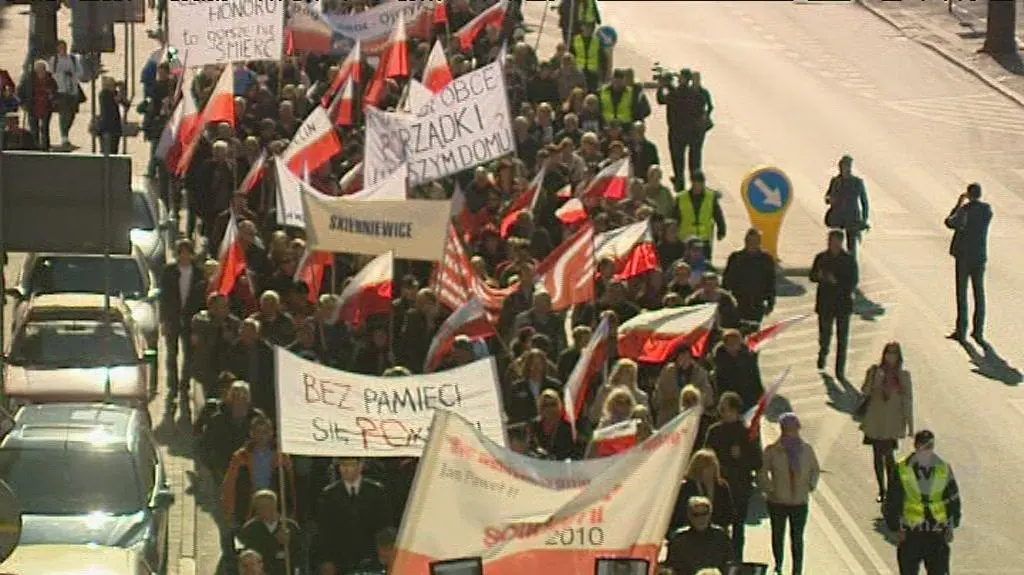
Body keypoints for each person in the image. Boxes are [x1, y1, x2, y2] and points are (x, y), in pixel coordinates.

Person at [884, 430, 962, 575]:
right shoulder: (902, 468)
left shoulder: (943, 468)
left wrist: (951, 525)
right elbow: (893, 500)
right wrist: (895, 527)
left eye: (930, 446)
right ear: (916, 446)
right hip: (911, 533)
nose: (927, 449)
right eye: (923, 446)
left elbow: (953, 498)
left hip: (937, 532)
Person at [758, 413, 820, 575]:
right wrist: (770, 489)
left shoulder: (806, 449)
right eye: (788, 428)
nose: (793, 431)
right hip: (777, 502)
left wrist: (810, 486)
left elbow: (815, 469)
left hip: (799, 501)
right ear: (783, 429)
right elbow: (762, 473)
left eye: (795, 428)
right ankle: (778, 564)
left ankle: (797, 570)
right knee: (778, 535)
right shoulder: (772, 450)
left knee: (797, 538)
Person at [704, 391, 762, 563]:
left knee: (738, 527)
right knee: (718, 526)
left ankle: (736, 561)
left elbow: (757, 461)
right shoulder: (714, 431)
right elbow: (706, 455)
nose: (722, 412)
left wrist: (741, 456)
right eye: (721, 408)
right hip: (719, 485)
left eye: (726, 408)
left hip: (740, 487)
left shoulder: (746, 433)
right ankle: (718, 559)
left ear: (735, 411)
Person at [859, 342, 914, 504]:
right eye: (888, 353)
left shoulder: (903, 376)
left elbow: (908, 400)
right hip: (875, 420)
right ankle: (882, 489)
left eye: (894, 354)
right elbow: (865, 391)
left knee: (889, 456)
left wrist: (910, 424)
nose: (890, 357)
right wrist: (874, 379)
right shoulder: (875, 371)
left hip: (892, 422)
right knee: (877, 455)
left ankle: (891, 489)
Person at [159, 239, 207, 417]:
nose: (185, 256)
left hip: (190, 320)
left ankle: (184, 385)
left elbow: (202, 300)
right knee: (172, 353)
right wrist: (163, 320)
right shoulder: (169, 272)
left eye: (188, 252)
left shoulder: (199, 273)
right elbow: (164, 298)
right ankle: (172, 384)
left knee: (189, 355)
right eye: (182, 252)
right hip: (173, 319)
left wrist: (198, 327)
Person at [943, 182, 992, 345]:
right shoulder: (987, 210)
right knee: (979, 293)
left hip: (964, 256)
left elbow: (949, 222)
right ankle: (978, 330)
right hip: (979, 255)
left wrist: (959, 204)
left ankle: (961, 330)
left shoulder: (965, 210)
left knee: (962, 293)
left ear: (969, 195)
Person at [810, 229, 858, 381]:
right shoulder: (821, 258)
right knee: (825, 334)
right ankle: (823, 354)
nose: (833, 245)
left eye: (836, 242)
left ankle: (840, 370)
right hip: (825, 303)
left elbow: (853, 281)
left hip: (842, 304)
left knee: (842, 339)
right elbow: (812, 275)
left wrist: (836, 282)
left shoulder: (849, 260)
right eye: (831, 242)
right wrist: (820, 276)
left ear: (841, 242)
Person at [667, 448, 735, 535]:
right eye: (704, 467)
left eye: (712, 467)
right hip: (690, 535)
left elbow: (729, 514)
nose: (709, 471)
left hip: (716, 535)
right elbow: (678, 516)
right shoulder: (686, 487)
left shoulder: (721, 486)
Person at [235, 490, 302, 575]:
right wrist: (275, 541)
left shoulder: (290, 526)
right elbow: (252, 555)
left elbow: (299, 554)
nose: (261, 510)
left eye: (266, 506)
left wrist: (290, 543)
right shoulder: (250, 529)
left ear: (274, 506)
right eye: (258, 507)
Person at [665, 496, 733, 575]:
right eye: (696, 514)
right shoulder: (679, 538)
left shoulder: (720, 536)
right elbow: (670, 567)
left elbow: (730, 563)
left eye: (704, 513)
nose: (701, 518)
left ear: (710, 514)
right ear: (689, 515)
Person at [673, 172, 726, 260]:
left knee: (705, 263)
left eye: (700, 184)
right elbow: (675, 217)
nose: (698, 186)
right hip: (686, 238)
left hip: (704, 238)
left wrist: (721, 230)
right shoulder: (681, 197)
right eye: (696, 183)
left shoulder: (711, 197)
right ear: (692, 183)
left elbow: (718, 214)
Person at [824, 155, 869, 256]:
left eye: (847, 166)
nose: (844, 169)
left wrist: (864, 219)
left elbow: (864, 202)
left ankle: (850, 264)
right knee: (835, 244)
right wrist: (830, 200)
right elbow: (827, 196)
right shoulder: (835, 181)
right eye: (842, 166)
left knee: (851, 246)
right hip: (837, 217)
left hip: (852, 217)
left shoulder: (857, 182)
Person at [48, 40, 83, 151]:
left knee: (72, 114)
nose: (62, 49)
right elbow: (51, 74)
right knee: (64, 113)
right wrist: (61, 75)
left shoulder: (73, 59)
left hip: (73, 90)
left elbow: (80, 73)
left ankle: (66, 132)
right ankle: (64, 136)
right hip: (60, 91)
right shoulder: (54, 60)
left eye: (64, 47)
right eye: (60, 47)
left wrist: (72, 74)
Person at [16, 59, 57, 150]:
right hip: (32, 106)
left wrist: (52, 95)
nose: (40, 70)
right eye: (38, 68)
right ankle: (34, 146)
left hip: (46, 106)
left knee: (45, 128)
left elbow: (55, 90)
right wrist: (23, 103)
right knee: (34, 128)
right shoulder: (29, 79)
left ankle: (45, 147)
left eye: (42, 68)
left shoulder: (50, 79)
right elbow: (20, 91)